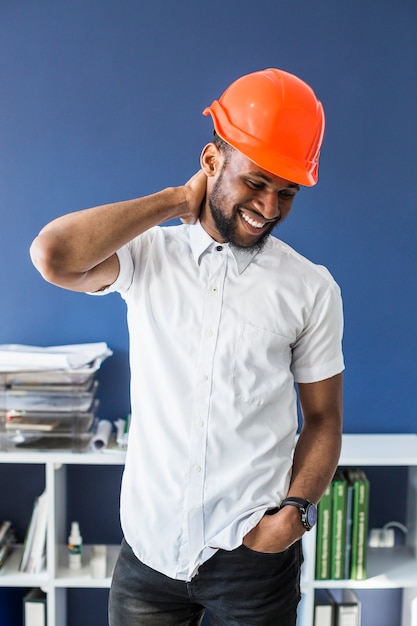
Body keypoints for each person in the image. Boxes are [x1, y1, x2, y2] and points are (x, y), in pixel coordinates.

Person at [30, 68, 344, 626]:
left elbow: (322, 418)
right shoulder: (146, 256)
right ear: (211, 160)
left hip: (253, 560)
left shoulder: (310, 288)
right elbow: (53, 256)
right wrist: (176, 200)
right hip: (149, 556)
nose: (269, 207)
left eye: (287, 193)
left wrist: (295, 514)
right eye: (256, 182)